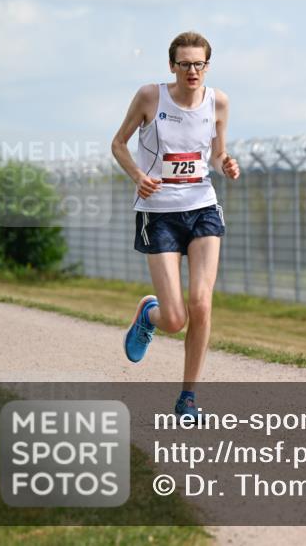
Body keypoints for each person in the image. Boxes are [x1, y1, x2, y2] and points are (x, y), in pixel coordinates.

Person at [110, 31, 240, 420]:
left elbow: (216, 156)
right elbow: (118, 143)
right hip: (159, 213)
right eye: (184, 64)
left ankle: (188, 399)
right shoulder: (151, 97)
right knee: (175, 318)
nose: (192, 71)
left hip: (202, 208)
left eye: (199, 64)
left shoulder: (218, 101)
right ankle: (149, 314)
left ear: (207, 66)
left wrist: (227, 164)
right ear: (172, 66)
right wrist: (137, 175)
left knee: (201, 302)